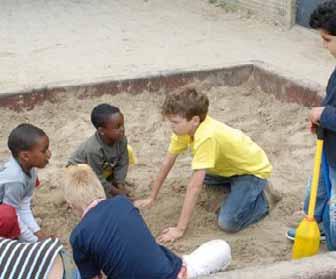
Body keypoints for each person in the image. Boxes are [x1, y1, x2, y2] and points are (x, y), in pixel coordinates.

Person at [135, 87, 278, 243]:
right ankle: (237, 190)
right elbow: (167, 161)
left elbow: (194, 188)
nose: (171, 126)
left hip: (252, 172)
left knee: (228, 223)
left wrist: (179, 229)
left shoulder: (206, 136)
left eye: (175, 122)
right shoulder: (183, 131)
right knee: (200, 176)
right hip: (226, 168)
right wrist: (152, 197)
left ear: (195, 120)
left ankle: (265, 200)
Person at [64, 164, 231, 279]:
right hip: (172, 274)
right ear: (99, 191)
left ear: (71, 205)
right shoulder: (122, 203)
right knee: (221, 247)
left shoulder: (78, 236)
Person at [287, 0, 336, 251]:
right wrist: (320, 121)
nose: (323, 45)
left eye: (327, 40)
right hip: (330, 147)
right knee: (319, 190)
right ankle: (316, 226)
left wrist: (324, 114)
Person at [67, 103, 134, 198]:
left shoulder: (121, 140)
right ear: (102, 131)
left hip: (100, 168)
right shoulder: (93, 149)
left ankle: (112, 185)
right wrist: (118, 193)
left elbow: (122, 164)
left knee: (129, 150)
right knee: (101, 198)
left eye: (123, 125)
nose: (122, 129)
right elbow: (97, 176)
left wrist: (120, 185)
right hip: (79, 174)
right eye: (117, 127)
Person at [0, 123, 51, 243]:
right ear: (25, 156)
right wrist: (34, 241)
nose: (49, 154)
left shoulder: (30, 169)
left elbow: (23, 205)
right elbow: (13, 215)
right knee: (7, 216)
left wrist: (37, 232)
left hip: (9, 207)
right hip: (5, 212)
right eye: (44, 151)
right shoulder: (15, 179)